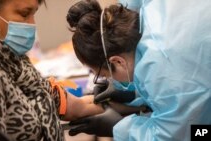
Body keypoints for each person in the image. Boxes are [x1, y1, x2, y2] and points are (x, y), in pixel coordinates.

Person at [0, 0, 106, 140]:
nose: (32, 25)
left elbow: (74, 106)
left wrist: (124, 102)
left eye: (34, 14)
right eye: (24, 14)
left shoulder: (11, 61)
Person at [66, 0, 211, 140]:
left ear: (117, 61)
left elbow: (178, 135)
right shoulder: (149, 17)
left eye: (104, 75)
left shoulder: (166, 74)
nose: (110, 80)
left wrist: (118, 128)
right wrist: (135, 92)